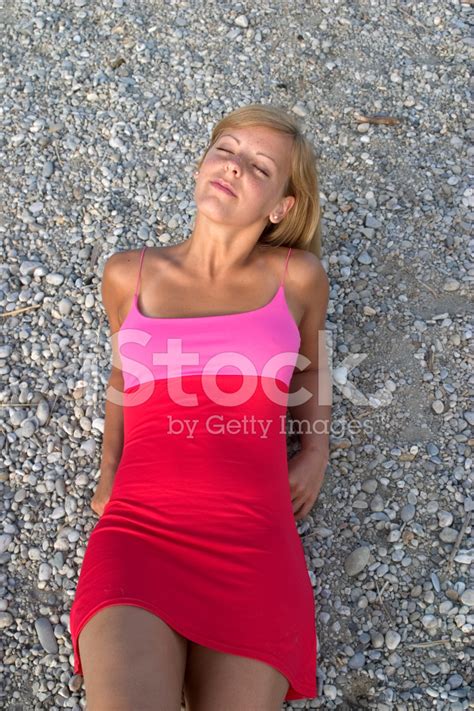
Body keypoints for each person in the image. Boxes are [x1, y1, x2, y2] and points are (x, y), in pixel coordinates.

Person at [69, 103, 331, 711]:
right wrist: (109, 469)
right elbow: (124, 372)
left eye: (259, 166)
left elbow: (312, 364)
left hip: (254, 544)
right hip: (140, 534)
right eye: (226, 150)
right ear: (202, 162)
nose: (234, 167)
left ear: (281, 207)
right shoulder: (127, 274)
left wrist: (316, 449)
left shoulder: (297, 278)